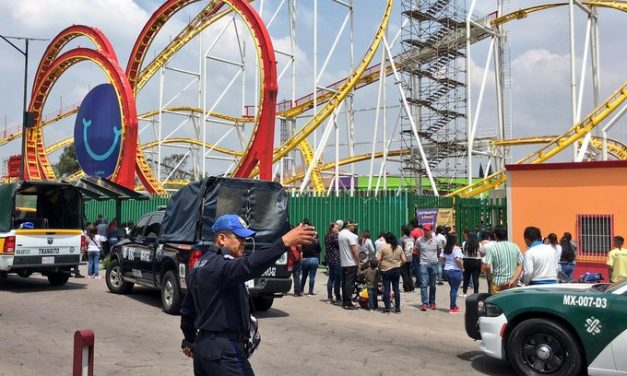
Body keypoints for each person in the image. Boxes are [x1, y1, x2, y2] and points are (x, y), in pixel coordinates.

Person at [179, 214, 315, 376]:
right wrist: (283, 243)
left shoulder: (200, 266)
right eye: (239, 238)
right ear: (222, 239)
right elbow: (249, 266)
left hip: (205, 348)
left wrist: (191, 341)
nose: (244, 243)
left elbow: (187, 312)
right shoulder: (221, 267)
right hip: (223, 351)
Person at [484, 225, 523, 293]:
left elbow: (487, 266)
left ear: (495, 235)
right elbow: (520, 264)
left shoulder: (492, 249)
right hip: (512, 284)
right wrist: (513, 280)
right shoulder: (515, 246)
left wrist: (490, 278)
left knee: (496, 302)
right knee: (511, 302)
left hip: (497, 283)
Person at [376, 232, 405, 313]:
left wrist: (379, 265)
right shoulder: (399, 247)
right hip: (396, 269)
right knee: (396, 289)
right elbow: (404, 260)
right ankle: (397, 308)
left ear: (386, 239)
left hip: (385, 270)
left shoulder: (383, 247)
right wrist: (399, 264)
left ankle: (387, 307)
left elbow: (378, 259)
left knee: (387, 289)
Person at [415, 223, 441, 311]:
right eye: (424, 230)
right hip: (423, 264)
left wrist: (435, 258)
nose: (425, 231)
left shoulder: (436, 240)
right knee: (423, 284)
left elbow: (439, 251)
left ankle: (432, 302)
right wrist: (422, 257)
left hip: (434, 263)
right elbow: (416, 250)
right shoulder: (419, 240)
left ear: (431, 230)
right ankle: (424, 303)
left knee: (433, 285)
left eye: (426, 230)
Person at [338, 219, 360, 310]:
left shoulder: (340, 235)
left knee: (344, 283)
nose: (354, 227)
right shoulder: (352, 236)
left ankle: (344, 301)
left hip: (343, 263)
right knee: (350, 284)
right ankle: (348, 302)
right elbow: (355, 251)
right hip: (351, 263)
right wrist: (358, 263)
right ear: (349, 226)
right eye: (353, 225)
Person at [439, 233, 464, 313]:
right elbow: (457, 259)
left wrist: (446, 262)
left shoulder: (445, 248)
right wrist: (462, 268)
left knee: (453, 288)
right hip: (455, 271)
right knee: (454, 289)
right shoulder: (457, 249)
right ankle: (452, 307)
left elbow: (441, 259)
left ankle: (454, 305)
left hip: (446, 271)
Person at [300, 218, 321, 296]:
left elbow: (301, 248)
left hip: (305, 259)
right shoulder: (316, 241)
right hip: (313, 259)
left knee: (304, 276)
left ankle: (301, 290)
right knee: (312, 276)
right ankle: (310, 292)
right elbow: (319, 250)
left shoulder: (304, 240)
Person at [324, 222, 342, 304]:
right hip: (336, 260)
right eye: (336, 228)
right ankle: (337, 297)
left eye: (338, 228)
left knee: (331, 278)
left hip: (330, 260)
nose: (338, 230)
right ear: (332, 228)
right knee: (337, 280)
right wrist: (340, 234)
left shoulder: (327, 236)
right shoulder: (333, 236)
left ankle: (329, 297)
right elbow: (340, 244)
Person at [461, 229, 481, 296]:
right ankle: (476, 293)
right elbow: (481, 253)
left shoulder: (464, 243)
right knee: (475, 278)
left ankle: (464, 292)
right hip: (476, 261)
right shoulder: (479, 244)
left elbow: (463, 252)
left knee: (466, 277)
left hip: (467, 261)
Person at [399, 225, 415, 292]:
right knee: (409, 273)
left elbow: (400, 249)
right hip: (410, 257)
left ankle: (406, 287)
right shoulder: (412, 238)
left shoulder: (401, 239)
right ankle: (411, 286)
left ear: (403, 231)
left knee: (404, 273)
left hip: (404, 258)